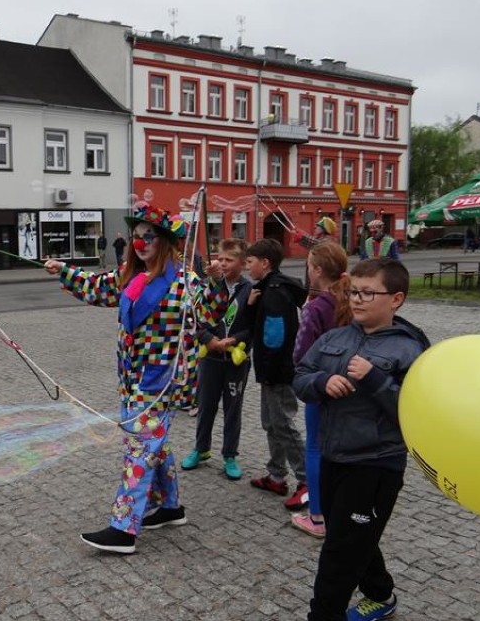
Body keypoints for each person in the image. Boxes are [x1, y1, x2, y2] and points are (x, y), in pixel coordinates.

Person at [44, 204, 226, 554]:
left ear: (165, 242)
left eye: (148, 237)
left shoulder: (183, 280)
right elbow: (96, 288)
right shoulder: (130, 274)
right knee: (156, 443)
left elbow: (209, 311)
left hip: (159, 382)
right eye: (136, 237)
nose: (141, 243)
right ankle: (170, 507)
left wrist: (216, 281)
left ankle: (124, 529)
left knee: (139, 450)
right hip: (131, 378)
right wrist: (64, 270)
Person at [293, 258, 429, 621]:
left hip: (376, 464)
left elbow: (416, 412)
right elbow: (302, 376)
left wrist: (375, 380)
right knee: (351, 534)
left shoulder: (410, 349)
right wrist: (322, 383)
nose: (357, 300)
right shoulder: (335, 337)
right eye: (354, 291)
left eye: (368, 293)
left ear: (396, 299)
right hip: (333, 456)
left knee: (339, 551)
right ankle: (381, 595)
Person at [289, 242, 352, 539]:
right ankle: (341, 509)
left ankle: (317, 517)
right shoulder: (353, 300)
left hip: (320, 385)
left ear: (317, 270)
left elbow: (300, 353)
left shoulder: (315, 308)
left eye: (308, 265)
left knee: (315, 447)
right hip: (351, 385)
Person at [242, 238, 309, 510]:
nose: (248, 268)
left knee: (283, 424)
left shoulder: (275, 292)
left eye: (250, 263)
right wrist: (249, 305)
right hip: (271, 371)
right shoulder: (265, 289)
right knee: (271, 423)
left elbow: (275, 339)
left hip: (278, 372)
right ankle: (276, 475)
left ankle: (307, 481)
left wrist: (270, 373)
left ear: (265, 263)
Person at [180, 238, 253, 480]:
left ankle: (230, 454)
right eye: (220, 258)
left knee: (233, 409)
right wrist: (208, 339)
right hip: (210, 356)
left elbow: (252, 326)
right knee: (206, 405)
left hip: (235, 360)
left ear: (242, 263)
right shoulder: (206, 286)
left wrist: (233, 340)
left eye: (229, 260)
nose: (223, 263)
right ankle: (201, 449)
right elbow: (196, 319)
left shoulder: (249, 290)